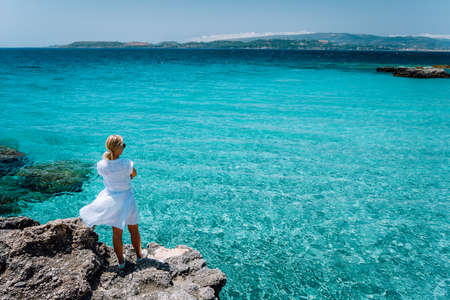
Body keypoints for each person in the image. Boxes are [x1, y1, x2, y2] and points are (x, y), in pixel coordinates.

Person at [79, 134, 147, 269]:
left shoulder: (101, 165)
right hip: (127, 198)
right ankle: (139, 256)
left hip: (112, 200)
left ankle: (121, 262)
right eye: (123, 145)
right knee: (133, 229)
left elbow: (108, 175)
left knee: (117, 232)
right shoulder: (127, 163)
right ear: (118, 148)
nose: (124, 147)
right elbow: (134, 174)